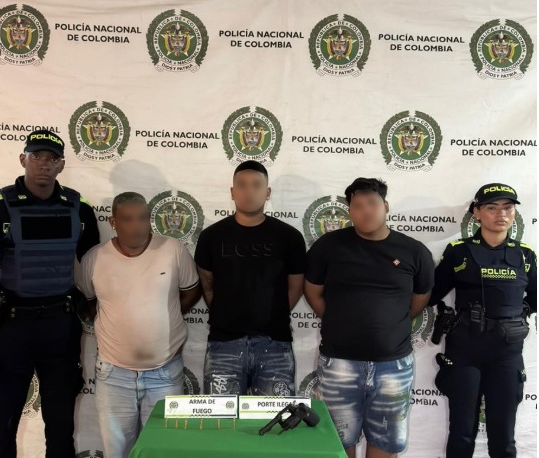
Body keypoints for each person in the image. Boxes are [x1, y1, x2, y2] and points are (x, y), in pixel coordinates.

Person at [0, 130, 100, 458]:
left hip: (60, 330)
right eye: (36, 156)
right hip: (10, 330)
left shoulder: (79, 208)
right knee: (2, 428)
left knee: (61, 430)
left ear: (61, 165)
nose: (44, 164)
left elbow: (99, 274)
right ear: (22, 159)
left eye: (52, 158)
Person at [304, 177, 434, 458]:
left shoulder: (414, 252)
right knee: (336, 443)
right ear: (349, 211)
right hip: (339, 364)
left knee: (386, 443)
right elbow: (313, 292)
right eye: (358, 205)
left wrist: (388, 324)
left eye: (372, 203)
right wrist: (339, 320)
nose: (365, 211)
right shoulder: (328, 247)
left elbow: (419, 300)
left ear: (385, 206)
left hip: (393, 366)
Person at [76, 192, 201, 458]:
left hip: (165, 374)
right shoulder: (94, 258)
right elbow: (88, 303)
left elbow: (191, 291)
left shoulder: (173, 250)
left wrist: (165, 315)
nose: (137, 226)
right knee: (117, 452)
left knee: (163, 451)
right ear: (113, 222)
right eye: (128, 219)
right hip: (113, 377)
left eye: (143, 218)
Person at [429, 183, 536, 458]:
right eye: (492, 207)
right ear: (476, 213)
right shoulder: (458, 251)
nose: (501, 214)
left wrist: (515, 316)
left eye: (508, 208)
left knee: (504, 438)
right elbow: (430, 295)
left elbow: (535, 299)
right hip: (466, 351)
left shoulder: (525, 254)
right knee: (462, 434)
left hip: (506, 354)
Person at [194, 160, 306, 396]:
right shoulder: (211, 237)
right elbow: (207, 285)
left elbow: (295, 287)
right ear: (232, 192)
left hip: (274, 345)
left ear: (267, 192)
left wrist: (270, 314)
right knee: (221, 417)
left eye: (256, 185)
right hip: (224, 344)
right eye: (242, 185)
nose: (249, 192)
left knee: (276, 416)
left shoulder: (289, 237)